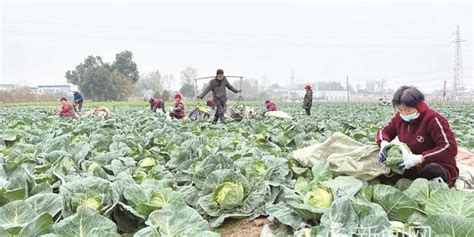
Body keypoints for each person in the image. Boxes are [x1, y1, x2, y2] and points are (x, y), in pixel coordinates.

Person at [376, 86, 458, 187]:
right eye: (400, 109)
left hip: (437, 165)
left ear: (419, 105)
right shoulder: (399, 118)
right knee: (384, 171)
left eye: (408, 110)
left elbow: (450, 147)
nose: (404, 113)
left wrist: (421, 158)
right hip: (410, 165)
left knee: (433, 171)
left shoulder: (433, 119)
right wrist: (383, 144)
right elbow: (383, 131)